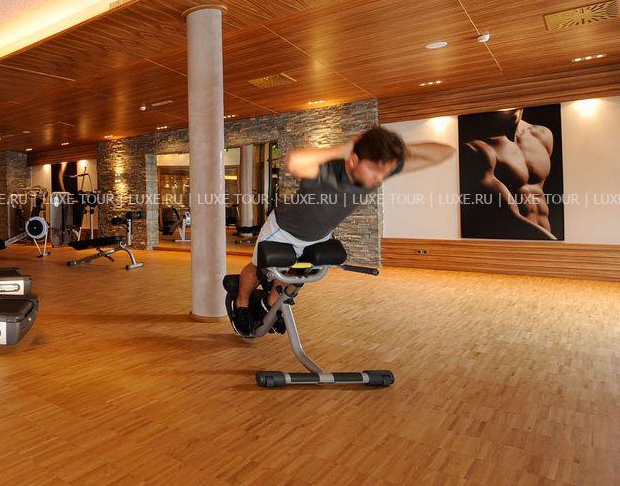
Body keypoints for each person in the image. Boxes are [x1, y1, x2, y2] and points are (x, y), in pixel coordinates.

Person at [232, 126, 454, 335]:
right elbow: (294, 160)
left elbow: (444, 152)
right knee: (257, 268)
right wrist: (344, 148)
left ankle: (270, 304)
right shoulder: (327, 170)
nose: (379, 178)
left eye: (384, 172)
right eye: (375, 170)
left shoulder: (377, 170)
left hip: (319, 237)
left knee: (295, 273)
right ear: (354, 159)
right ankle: (241, 303)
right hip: (283, 230)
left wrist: (400, 151)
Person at [460, 108, 557, 240]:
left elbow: (538, 194)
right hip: (508, 242)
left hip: (544, 240)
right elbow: (509, 216)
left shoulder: (542, 135)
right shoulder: (477, 148)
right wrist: (555, 244)